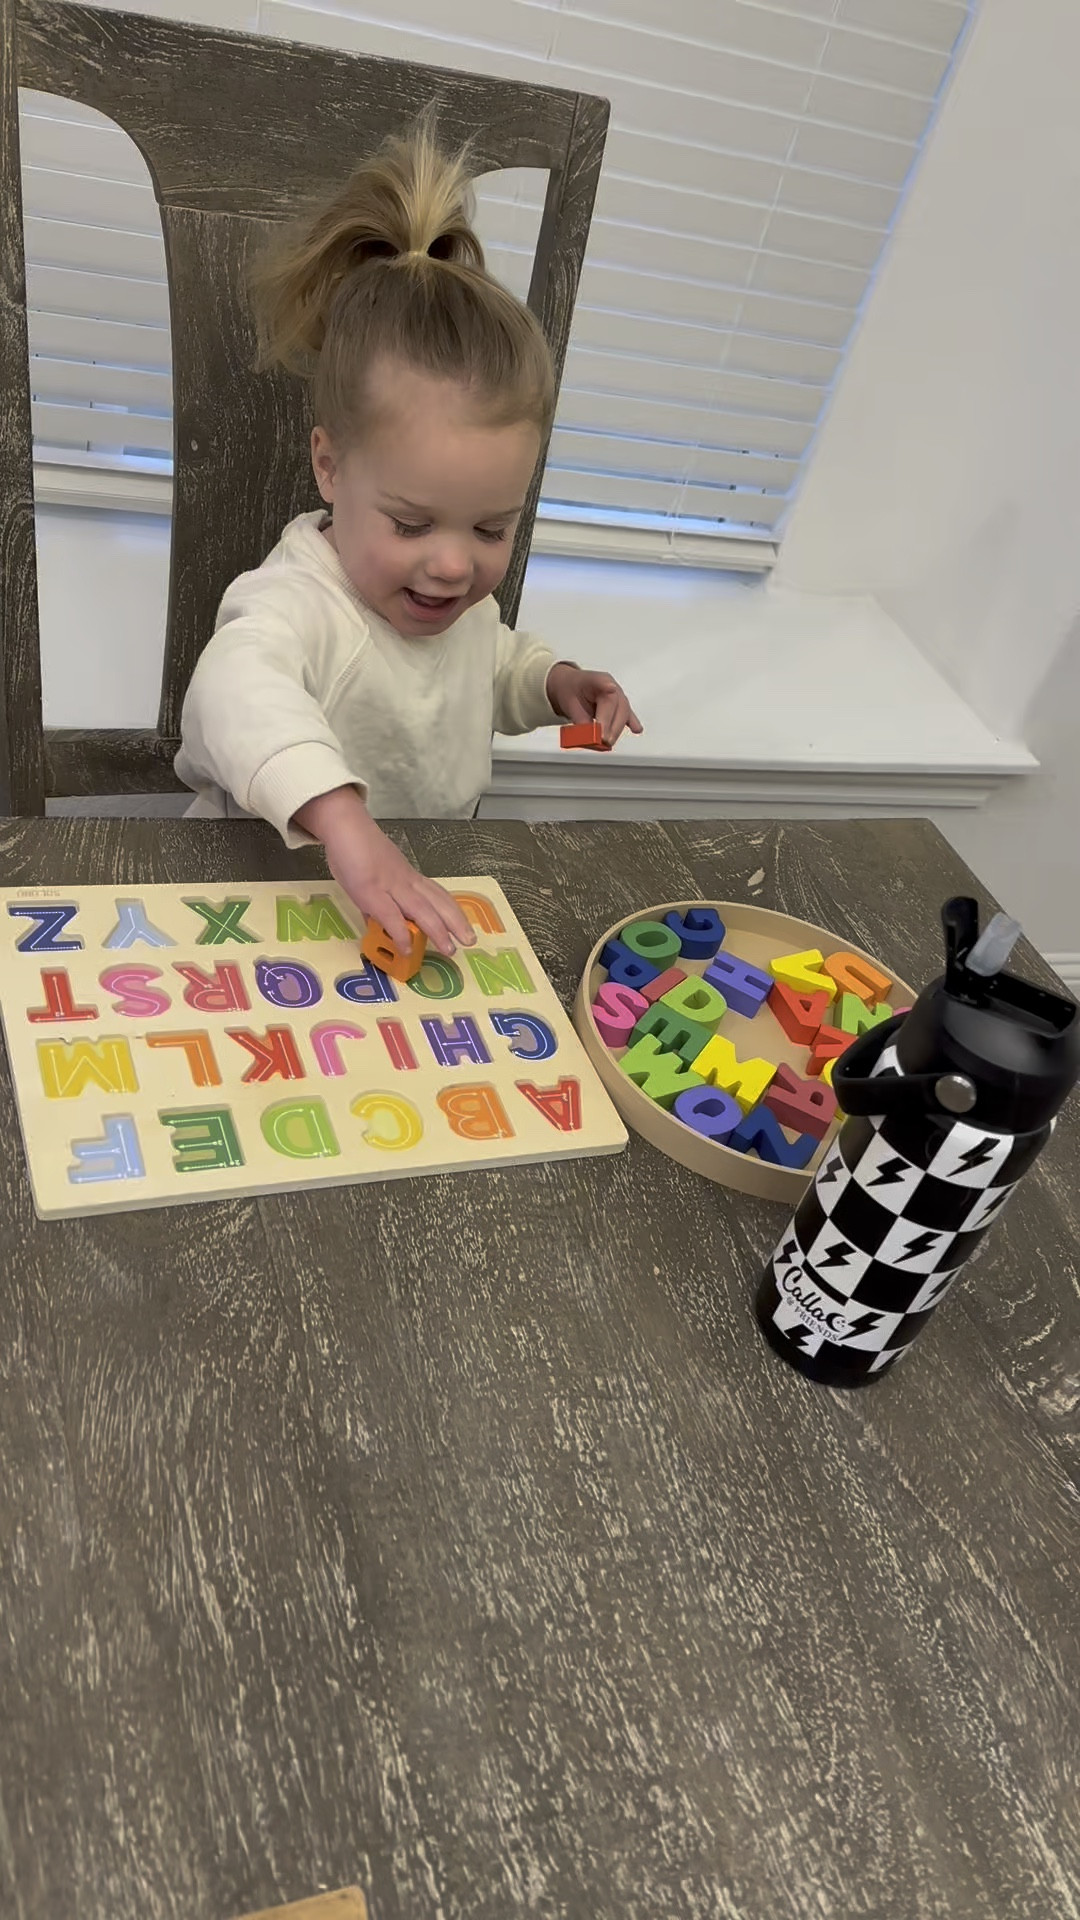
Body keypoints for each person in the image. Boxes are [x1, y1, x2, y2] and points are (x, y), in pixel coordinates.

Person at [176, 124, 641, 959]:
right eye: (412, 523)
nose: (457, 564)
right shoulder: (295, 601)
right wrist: (344, 822)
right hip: (252, 900)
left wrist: (553, 683)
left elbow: (486, 664)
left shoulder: (452, 602)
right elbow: (232, 689)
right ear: (329, 466)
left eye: (493, 527)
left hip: (412, 898)